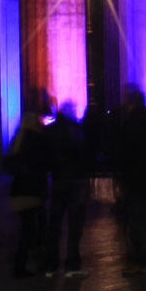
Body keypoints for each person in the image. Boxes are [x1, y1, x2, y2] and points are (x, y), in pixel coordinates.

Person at [113, 88, 146, 274]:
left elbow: (122, 155)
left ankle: (142, 261)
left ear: (129, 102)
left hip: (136, 181)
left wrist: (122, 180)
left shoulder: (128, 124)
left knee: (137, 223)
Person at [5, 103, 52, 278]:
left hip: (19, 191)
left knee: (26, 229)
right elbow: (45, 163)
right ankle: (35, 262)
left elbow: (8, 164)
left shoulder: (17, 140)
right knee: (37, 230)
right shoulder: (37, 140)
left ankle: (22, 263)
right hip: (34, 190)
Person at [45, 101, 90, 277]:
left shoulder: (49, 131)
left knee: (54, 224)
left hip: (58, 180)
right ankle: (72, 265)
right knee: (74, 225)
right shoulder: (76, 130)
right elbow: (84, 155)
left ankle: (51, 265)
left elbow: (46, 157)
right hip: (76, 181)